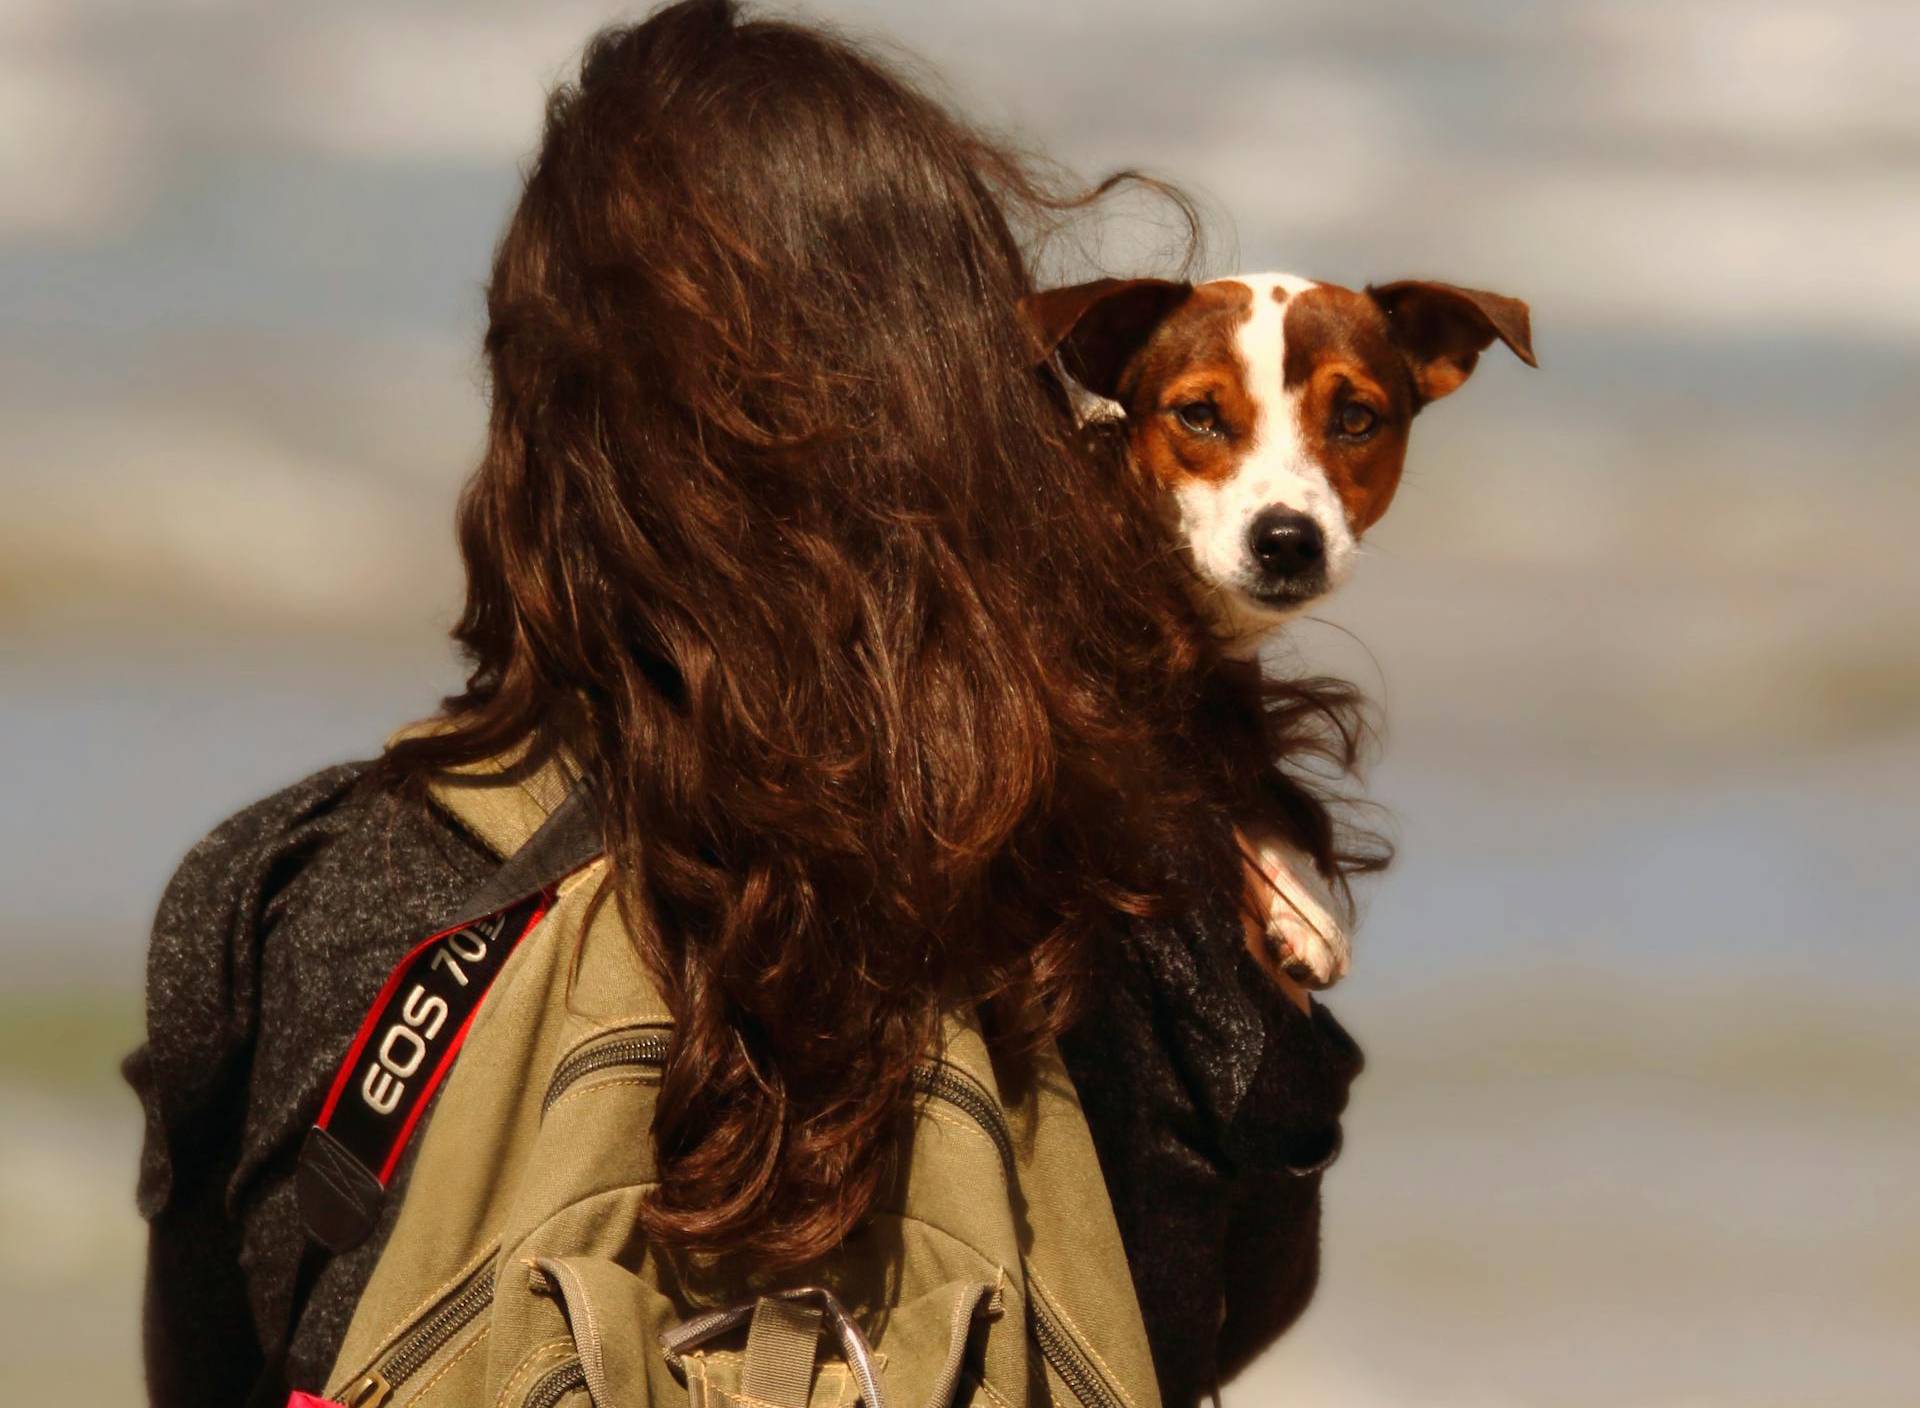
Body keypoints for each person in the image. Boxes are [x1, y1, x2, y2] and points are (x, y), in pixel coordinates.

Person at [123, 3, 1377, 1405]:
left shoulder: (282, 903)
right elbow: (1204, 1328)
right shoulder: (1154, 916)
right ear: (969, 404)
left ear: (535, 428)